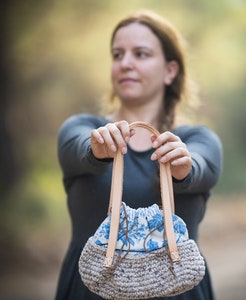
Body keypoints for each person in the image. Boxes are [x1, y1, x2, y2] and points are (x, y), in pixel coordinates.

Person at [55, 10, 223, 300]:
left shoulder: (198, 139)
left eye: (141, 54)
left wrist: (183, 166)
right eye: (117, 54)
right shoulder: (81, 128)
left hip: (178, 291)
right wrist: (98, 150)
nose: (126, 64)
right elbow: (80, 149)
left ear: (170, 70)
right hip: (91, 290)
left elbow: (199, 167)